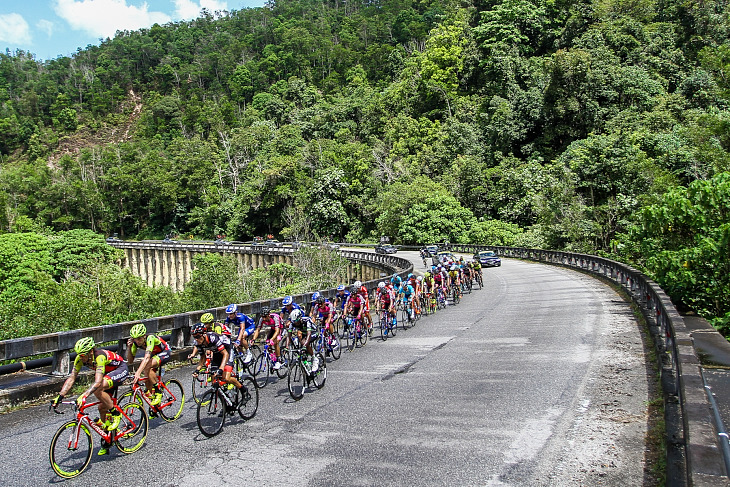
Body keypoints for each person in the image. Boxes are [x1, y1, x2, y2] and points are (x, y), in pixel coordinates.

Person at [51, 337, 129, 456]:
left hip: (120, 369)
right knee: (101, 408)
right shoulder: (80, 359)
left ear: (91, 352)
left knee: (97, 389)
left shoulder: (99, 357)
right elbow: (71, 378)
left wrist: (84, 395)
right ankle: (108, 439)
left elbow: (97, 382)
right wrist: (60, 396)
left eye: (83, 355)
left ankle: (115, 414)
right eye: (79, 355)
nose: (81, 357)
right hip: (107, 375)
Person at [190, 323, 246, 394]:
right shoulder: (197, 342)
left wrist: (221, 369)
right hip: (217, 353)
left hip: (227, 350)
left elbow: (225, 354)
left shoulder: (213, 338)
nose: (196, 339)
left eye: (198, 336)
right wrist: (197, 370)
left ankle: (243, 389)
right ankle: (223, 400)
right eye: (194, 337)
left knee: (226, 378)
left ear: (204, 334)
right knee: (214, 380)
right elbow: (203, 357)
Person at [126, 323, 170, 406]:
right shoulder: (135, 343)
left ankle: (158, 391)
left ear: (144, 336)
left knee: (147, 366)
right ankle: (155, 407)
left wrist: (138, 373)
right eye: (135, 339)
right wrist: (129, 347)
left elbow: (146, 358)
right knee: (147, 378)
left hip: (164, 352)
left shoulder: (150, 338)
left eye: (139, 338)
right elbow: (130, 361)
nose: (137, 341)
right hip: (155, 355)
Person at [286, 309, 320, 373]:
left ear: (300, 318)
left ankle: (314, 358)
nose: (296, 323)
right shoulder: (292, 323)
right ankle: (306, 359)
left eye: (297, 321)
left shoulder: (307, 320)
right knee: (299, 337)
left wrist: (304, 345)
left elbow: (309, 335)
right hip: (304, 333)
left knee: (305, 344)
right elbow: (289, 336)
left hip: (313, 332)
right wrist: (286, 347)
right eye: (294, 322)